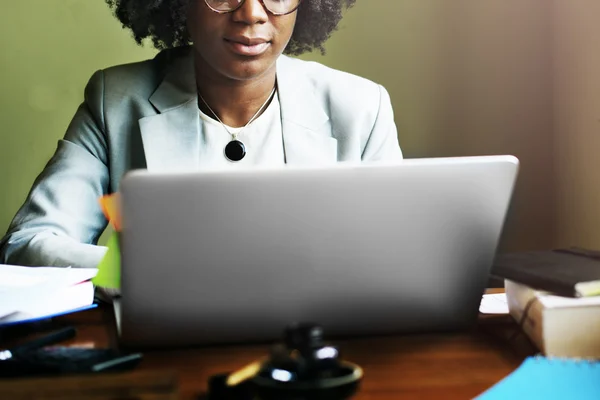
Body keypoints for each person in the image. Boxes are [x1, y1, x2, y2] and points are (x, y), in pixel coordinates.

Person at [0, 0, 403, 269]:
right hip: (169, 351)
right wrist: (138, 278)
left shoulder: (362, 106)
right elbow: (29, 244)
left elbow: (397, 256)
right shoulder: (117, 101)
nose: (252, 13)